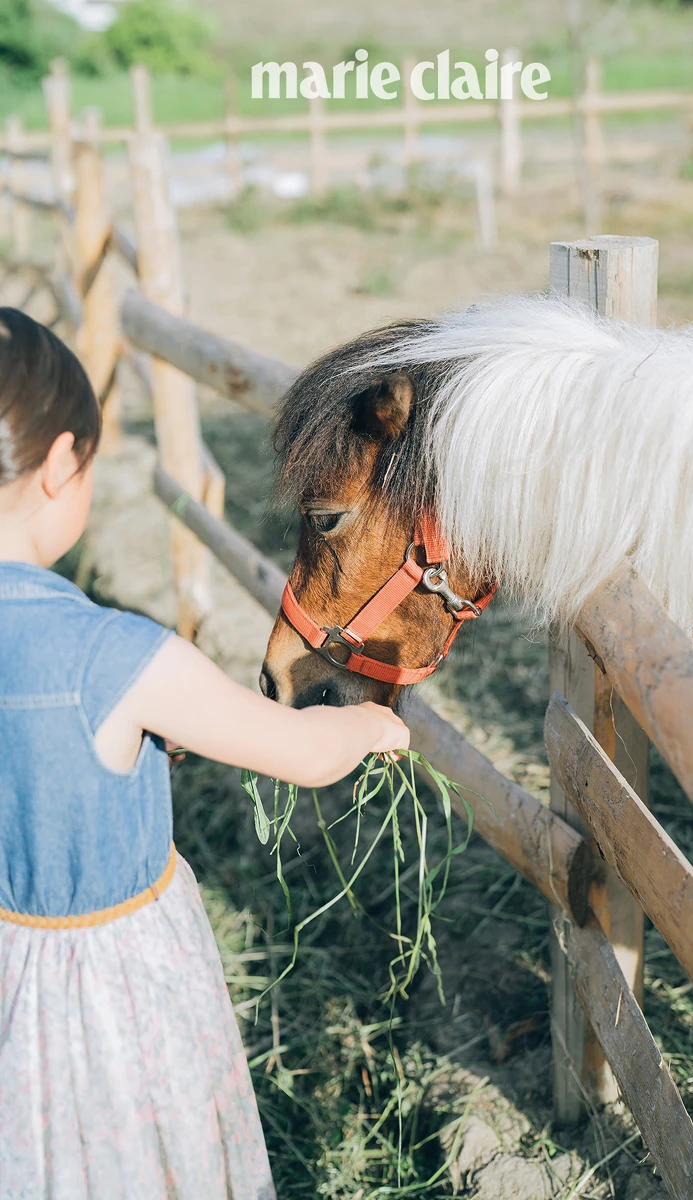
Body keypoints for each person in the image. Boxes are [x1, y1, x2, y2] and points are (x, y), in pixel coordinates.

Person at [0, 308, 410, 1200]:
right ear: (65, 462)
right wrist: (373, 727)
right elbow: (298, 752)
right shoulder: (117, 654)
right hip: (110, 998)